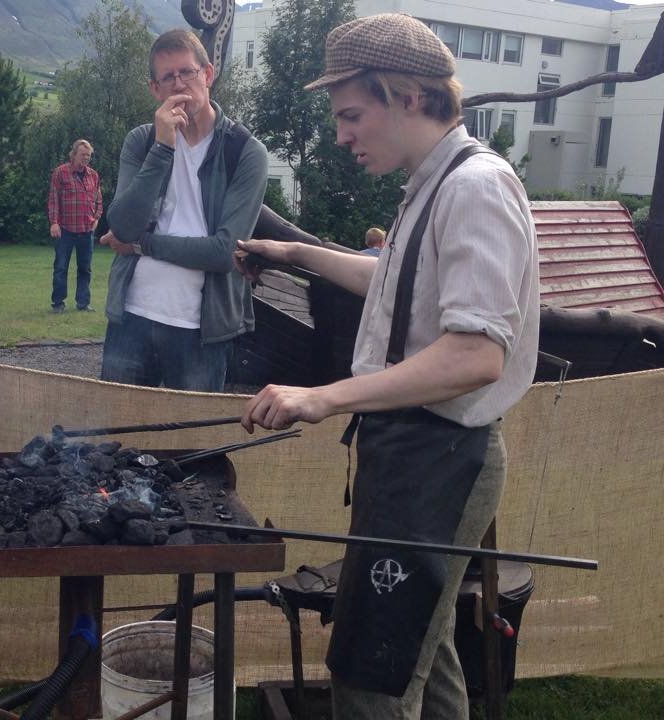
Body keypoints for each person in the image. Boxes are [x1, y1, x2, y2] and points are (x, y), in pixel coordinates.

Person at [234, 14, 539, 719]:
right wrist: (294, 254)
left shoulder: (475, 188)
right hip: (411, 452)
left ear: (406, 95)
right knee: (422, 653)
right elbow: (399, 287)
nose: (341, 135)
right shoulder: (435, 183)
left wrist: (326, 396)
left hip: (443, 459)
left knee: (373, 671)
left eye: (351, 115)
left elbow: (477, 355)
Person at [99, 29, 268, 392]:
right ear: (154, 88)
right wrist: (163, 147)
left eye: (187, 72)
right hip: (131, 316)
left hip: (201, 329)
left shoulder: (245, 151)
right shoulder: (142, 141)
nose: (179, 84)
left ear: (207, 75)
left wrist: (142, 245)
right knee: (115, 426)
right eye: (167, 77)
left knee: (192, 429)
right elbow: (123, 225)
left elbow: (224, 252)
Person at [47, 139, 102, 313]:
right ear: (74, 154)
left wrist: (96, 219)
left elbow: (98, 201)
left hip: (86, 231)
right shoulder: (61, 173)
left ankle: (83, 303)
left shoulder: (93, 175)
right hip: (65, 230)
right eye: (83, 154)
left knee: (85, 269)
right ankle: (58, 303)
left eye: (89, 155)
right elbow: (54, 199)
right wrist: (54, 222)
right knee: (61, 267)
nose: (86, 158)